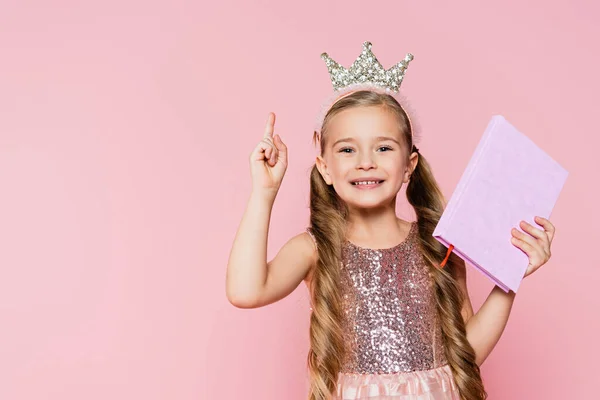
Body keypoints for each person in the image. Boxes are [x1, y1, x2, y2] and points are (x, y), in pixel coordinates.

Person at [225, 41, 555, 400]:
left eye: (383, 148)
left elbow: (466, 354)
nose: (366, 161)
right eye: (347, 149)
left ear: (409, 165)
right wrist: (264, 192)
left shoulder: (438, 246)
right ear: (325, 168)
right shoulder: (316, 248)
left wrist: (508, 276)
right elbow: (245, 291)